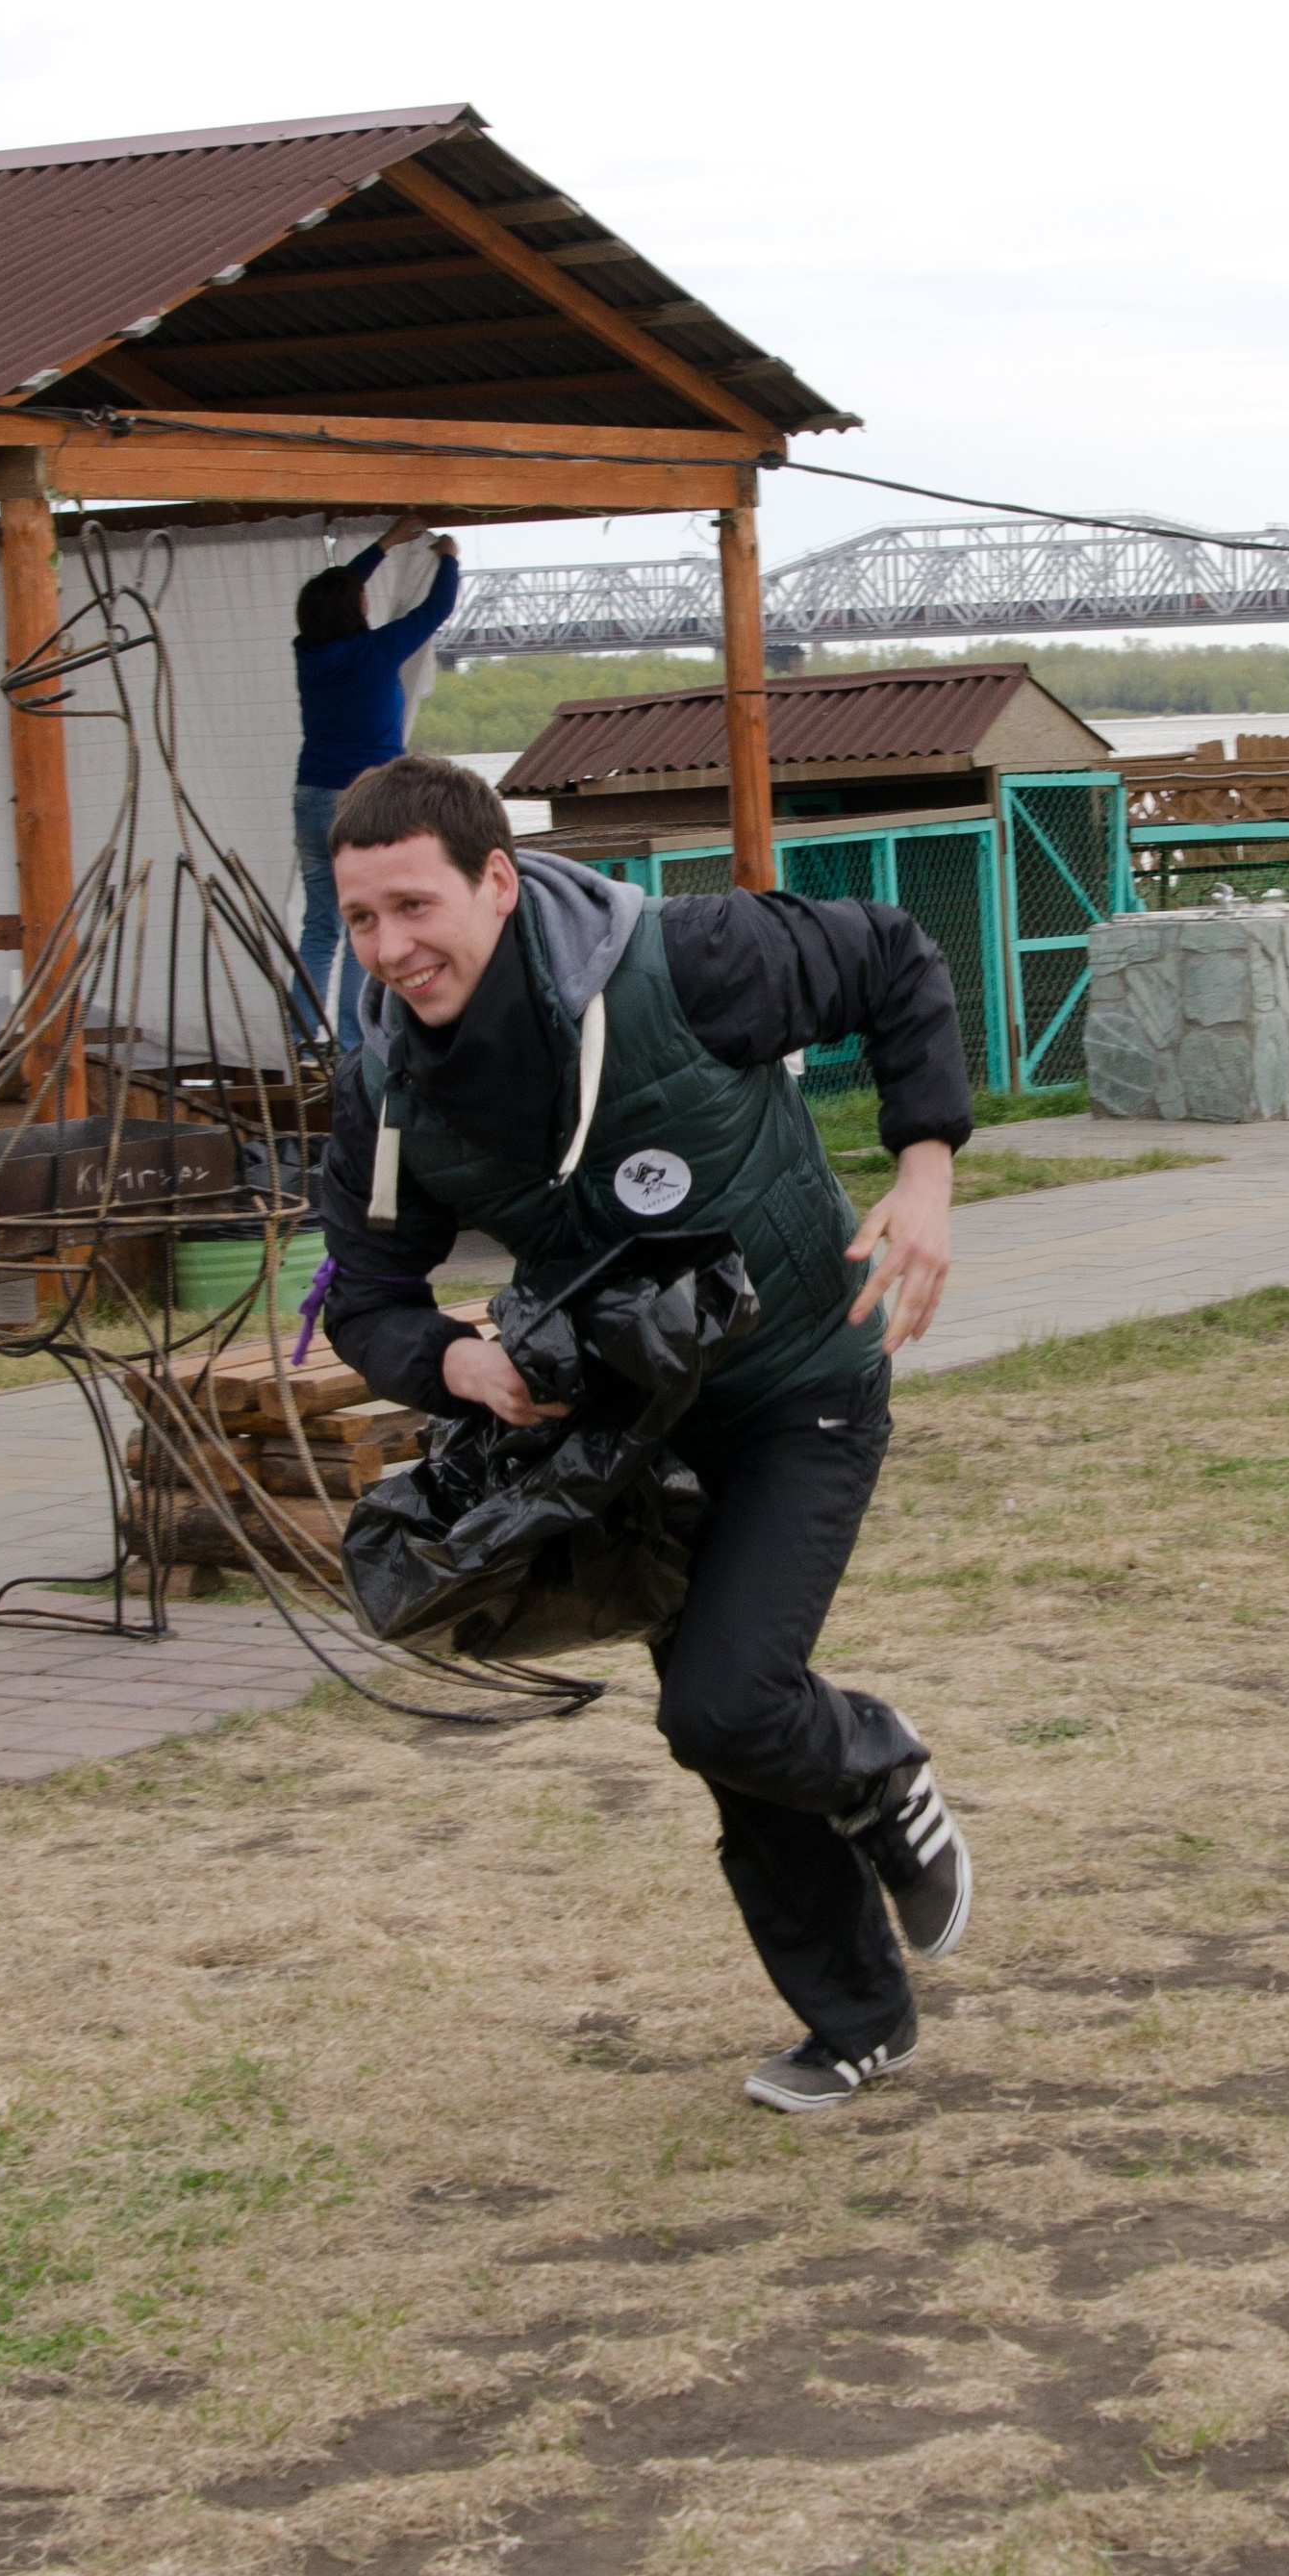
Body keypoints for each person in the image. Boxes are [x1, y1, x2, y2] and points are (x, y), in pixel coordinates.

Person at [313, 750, 973, 2112]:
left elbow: (897, 960)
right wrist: (457, 1365)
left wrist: (925, 1172)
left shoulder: (689, 960)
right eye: (361, 919)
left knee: (728, 1695)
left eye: (414, 907)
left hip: (803, 1384)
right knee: (725, 1727)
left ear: (496, 879)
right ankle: (859, 2020)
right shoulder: (384, 1090)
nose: (390, 948)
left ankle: (883, 1762)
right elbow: (363, 1298)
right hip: (631, 1438)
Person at [291, 518, 464, 1054]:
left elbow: (335, 593)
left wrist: (384, 545)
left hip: (311, 797)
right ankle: (354, 1045)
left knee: (321, 927)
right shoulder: (376, 651)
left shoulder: (308, 654)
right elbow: (435, 612)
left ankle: (297, 1042)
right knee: (367, 924)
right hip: (364, 803)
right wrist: (451, 559)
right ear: (356, 609)